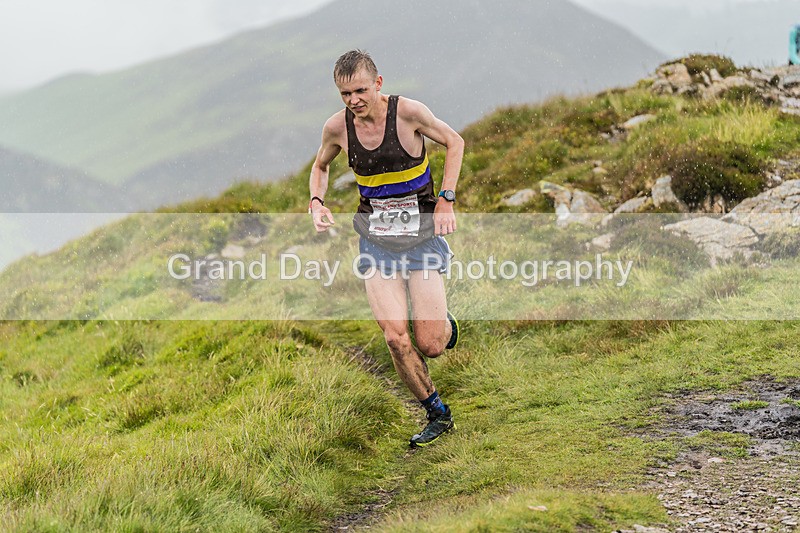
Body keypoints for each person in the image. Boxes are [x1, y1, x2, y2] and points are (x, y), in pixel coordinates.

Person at [308, 50, 464, 447]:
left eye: (360, 90)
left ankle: (445, 326)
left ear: (378, 84)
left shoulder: (408, 113)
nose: (353, 101)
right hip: (376, 243)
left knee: (430, 344)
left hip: (423, 237)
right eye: (344, 94)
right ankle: (437, 414)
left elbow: (454, 141)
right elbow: (321, 166)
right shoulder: (337, 127)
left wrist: (445, 199)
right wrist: (317, 202)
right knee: (395, 337)